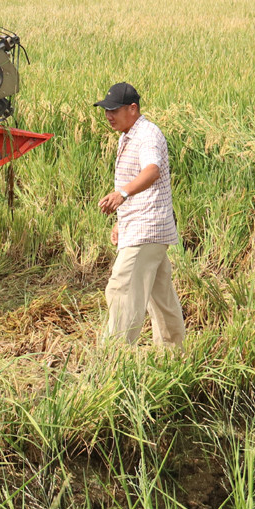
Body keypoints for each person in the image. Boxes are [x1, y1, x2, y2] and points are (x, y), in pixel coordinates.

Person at [94, 82, 186, 347]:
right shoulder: (129, 134)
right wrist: (122, 222)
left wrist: (121, 194)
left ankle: (113, 362)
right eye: (105, 110)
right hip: (145, 226)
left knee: (122, 289)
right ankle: (173, 359)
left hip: (147, 229)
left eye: (114, 110)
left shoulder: (146, 135)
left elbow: (151, 170)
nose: (108, 116)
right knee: (161, 297)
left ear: (132, 108)